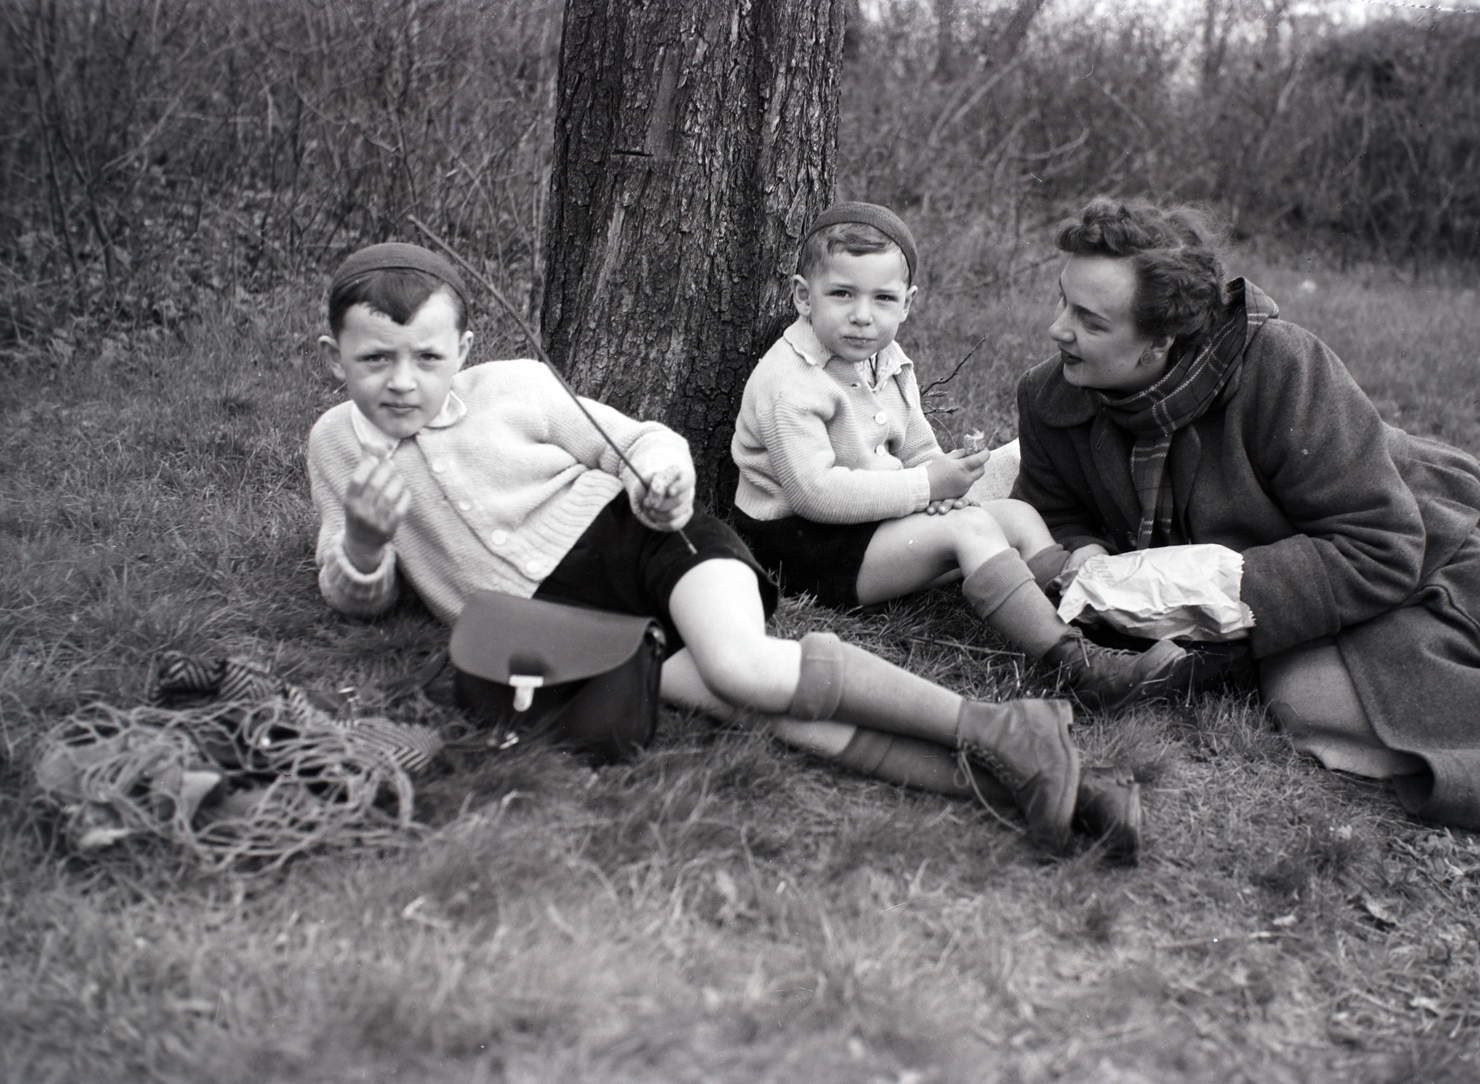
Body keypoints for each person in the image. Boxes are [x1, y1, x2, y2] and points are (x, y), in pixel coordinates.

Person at [306, 241, 1141, 857]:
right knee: (756, 710)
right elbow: (354, 597)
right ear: (334, 356)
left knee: (744, 667)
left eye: (428, 356)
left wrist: (659, 481)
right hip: (555, 625)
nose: (404, 380)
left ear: (465, 346)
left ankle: (1004, 729)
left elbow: (642, 442)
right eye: (375, 358)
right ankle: (1028, 784)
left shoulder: (515, 386)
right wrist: (369, 544)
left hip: (645, 544)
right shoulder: (334, 448)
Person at [1014, 197, 1480, 837]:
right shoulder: (1050, 396)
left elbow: (1382, 546)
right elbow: (1054, 509)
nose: (1058, 330)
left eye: (1091, 322)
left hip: (1412, 541)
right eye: (1061, 301)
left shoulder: (1283, 367)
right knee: (1299, 693)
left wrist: (1208, 596)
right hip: (1300, 564)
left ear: (1160, 340)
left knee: (1309, 701)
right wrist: (1088, 556)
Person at [732, 201, 1199, 711]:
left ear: (907, 304)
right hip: (807, 550)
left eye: (882, 299)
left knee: (1016, 515)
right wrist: (926, 489)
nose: (863, 316)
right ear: (804, 296)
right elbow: (815, 494)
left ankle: (1096, 615)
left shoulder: (883, 358)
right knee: (970, 530)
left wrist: (945, 488)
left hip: (872, 528)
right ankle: (1081, 666)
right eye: (842, 294)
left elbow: (916, 447)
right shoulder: (790, 383)